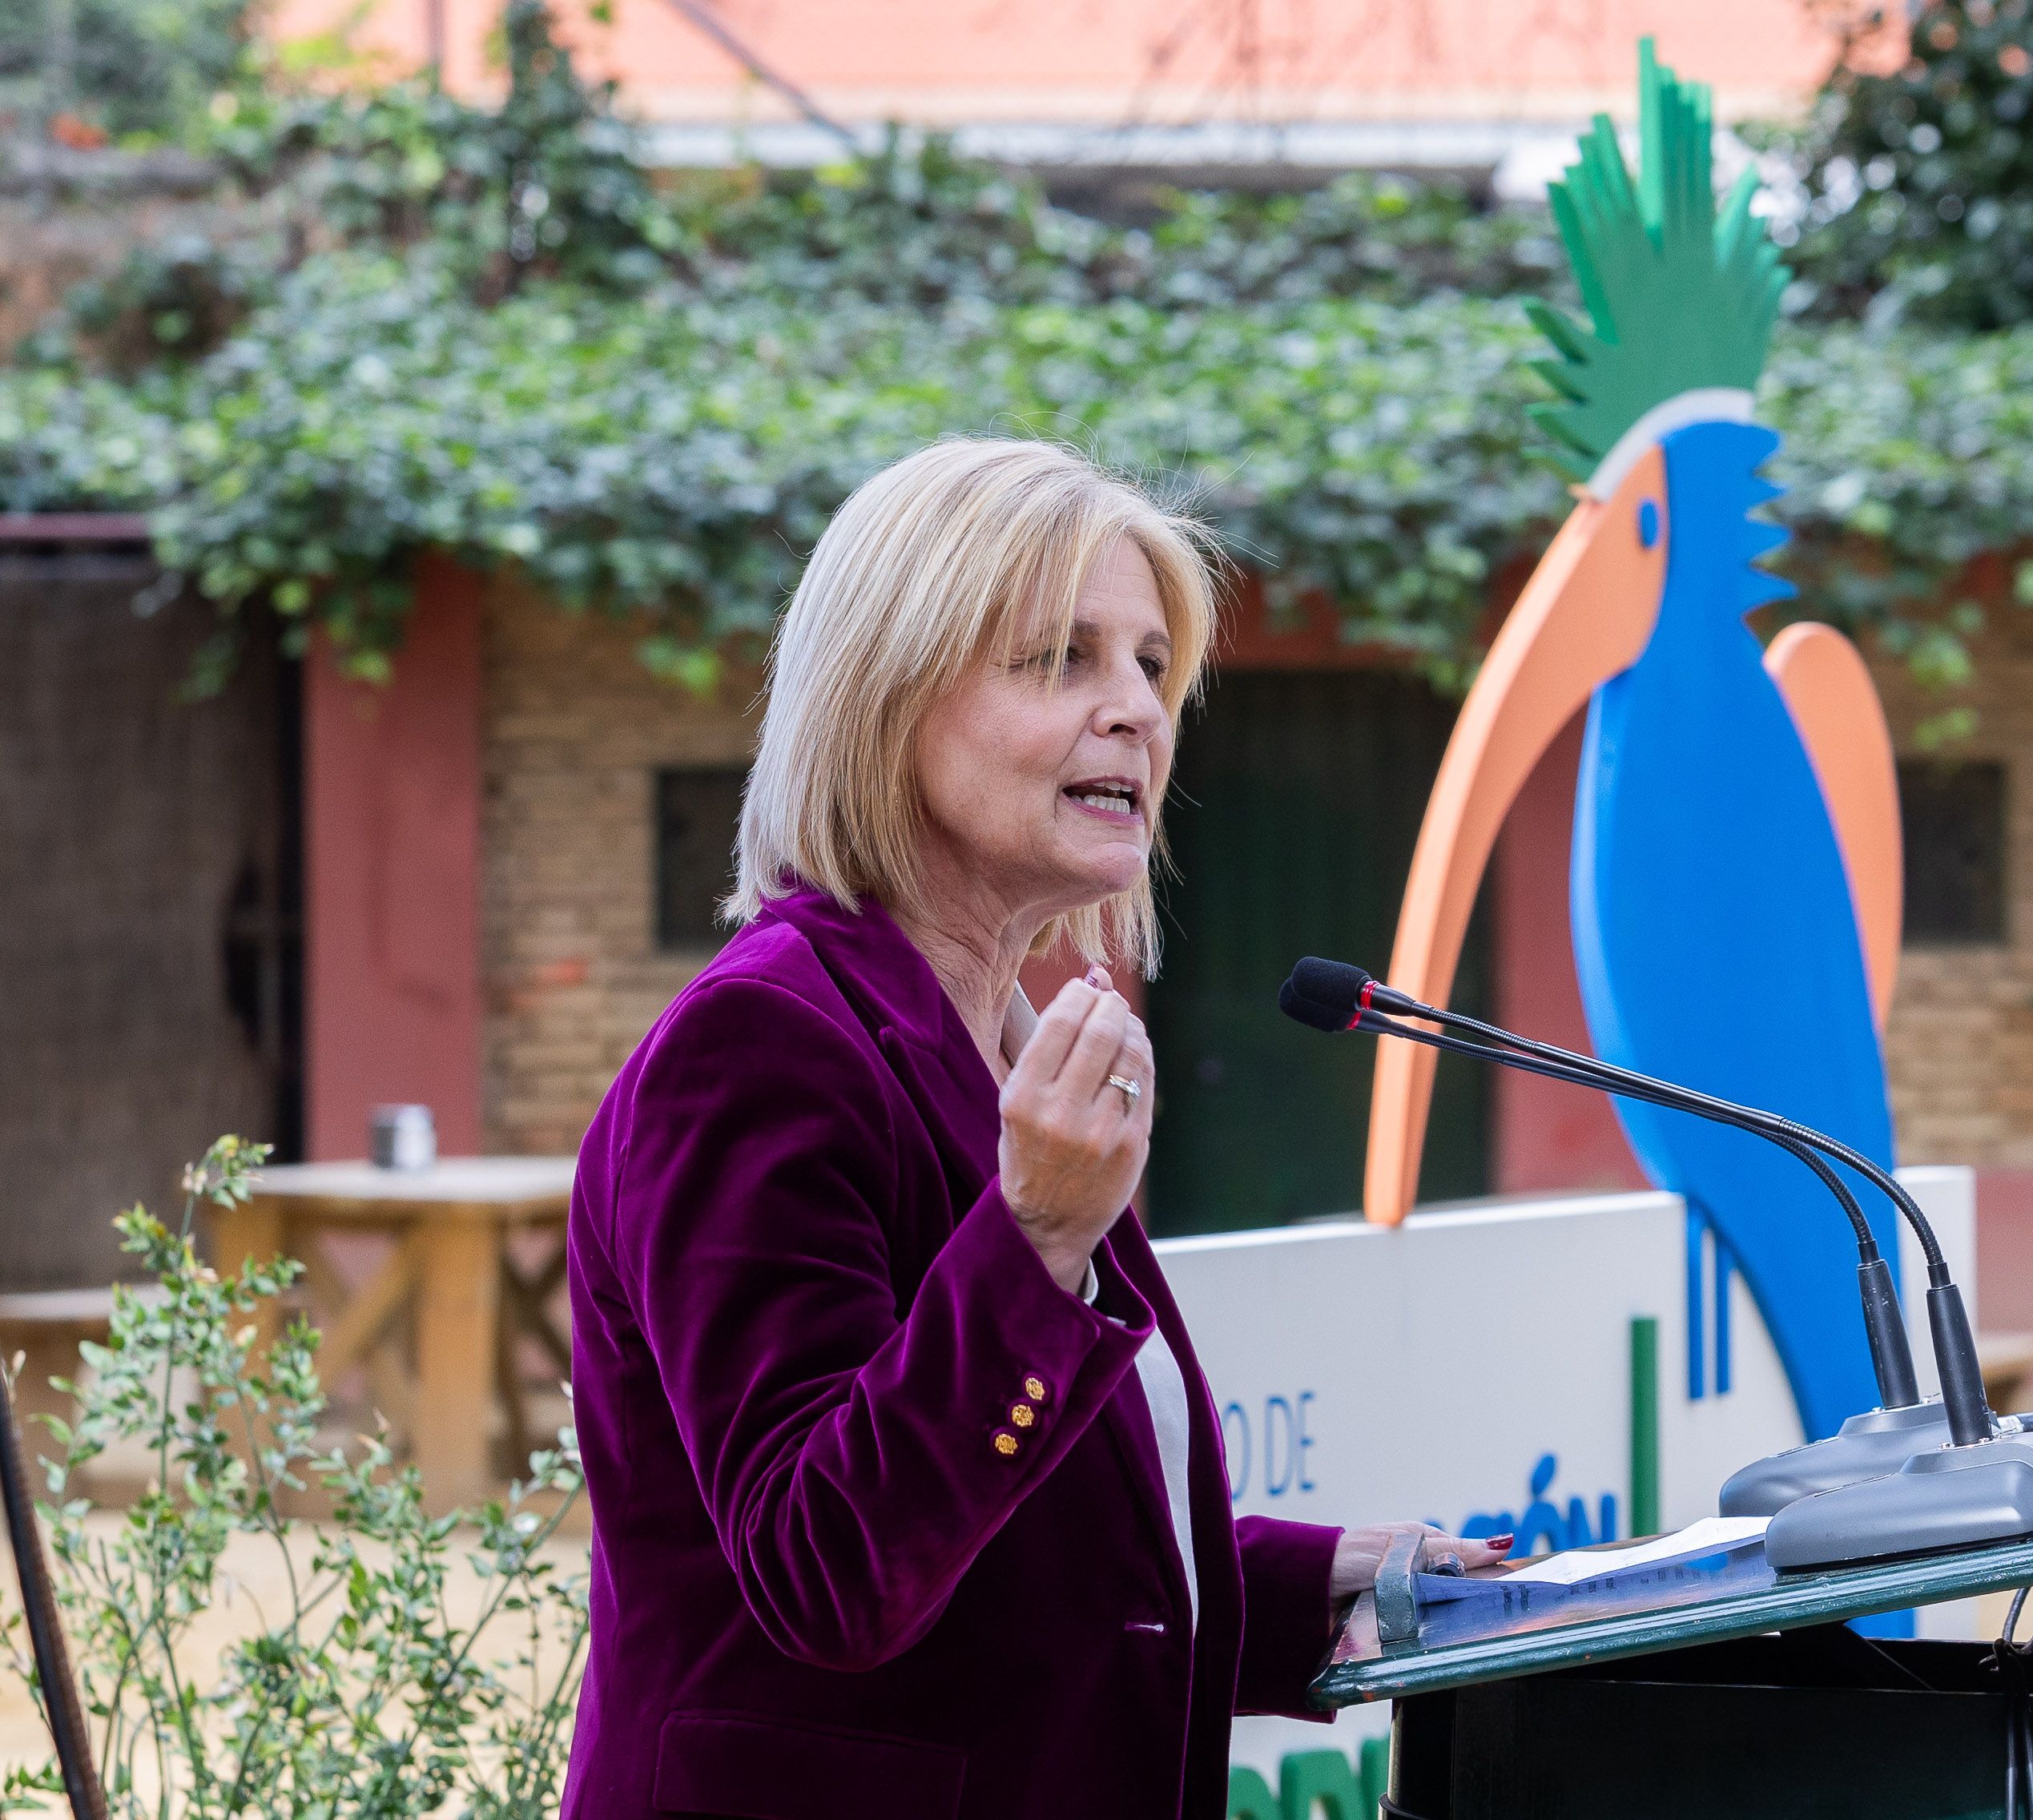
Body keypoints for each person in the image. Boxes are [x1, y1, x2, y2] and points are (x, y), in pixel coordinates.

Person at [559, 437, 1510, 1820]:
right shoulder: (760, 1047)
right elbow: (828, 1568)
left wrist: (1325, 1581)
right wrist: (1035, 1238)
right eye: (1061, 658)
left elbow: (1027, 1556)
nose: (1134, 710)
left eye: (1147, 666)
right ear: (888, 700)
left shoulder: (1010, 1045)